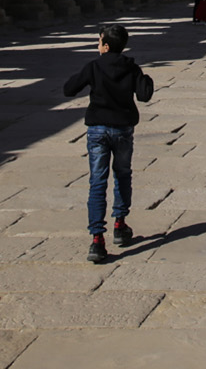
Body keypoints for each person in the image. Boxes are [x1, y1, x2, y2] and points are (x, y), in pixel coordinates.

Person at [62, 23, 154, 264]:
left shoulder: (94, 66)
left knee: (97, 181)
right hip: (123, 129)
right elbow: (144, 95)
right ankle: (120, 225)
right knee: (122, 174)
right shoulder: (131, 67)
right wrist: (146, 79)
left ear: (104, 46)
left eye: (99, 41)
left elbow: (69, 90)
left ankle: (96, 240)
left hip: (97, 130)